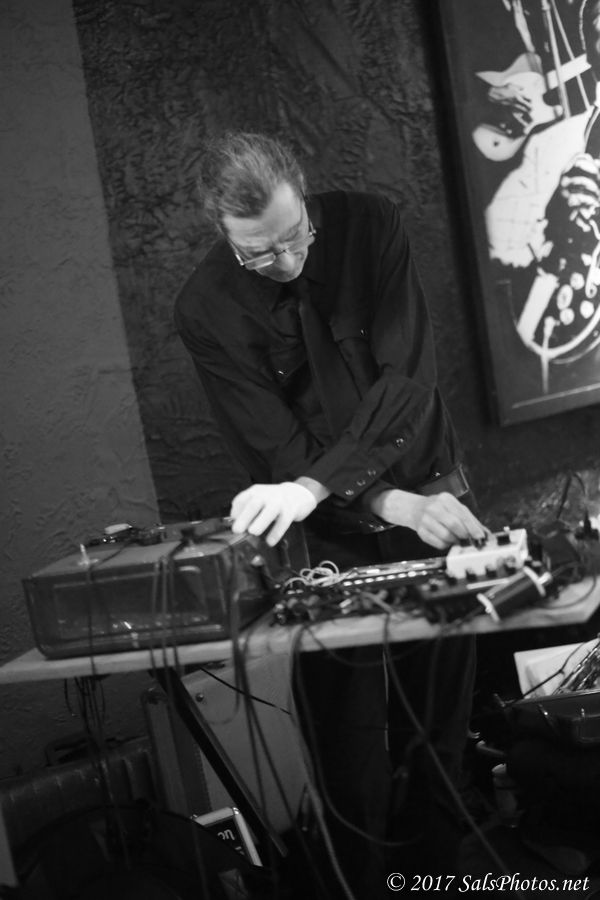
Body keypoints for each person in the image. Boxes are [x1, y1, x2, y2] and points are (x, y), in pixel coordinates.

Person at [174, 131, 486, 898]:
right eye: (259, 253)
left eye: (295, 236)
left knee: (441, 728)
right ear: (223, 232)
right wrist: (376, 501)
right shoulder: (205, 308)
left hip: (431, 491)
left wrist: (393, 498)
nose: (286, 260)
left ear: (304, 196)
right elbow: (275, 443)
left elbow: (408, 379)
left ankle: (441, 883)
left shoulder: (372, 226)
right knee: (349, 752)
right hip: (329, 535)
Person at [485, 0, 600, 395]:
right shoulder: (553, 145)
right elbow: (498, 242)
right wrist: (555, 223)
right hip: (570, 345)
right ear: (590, 52)